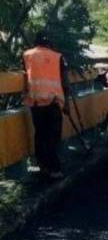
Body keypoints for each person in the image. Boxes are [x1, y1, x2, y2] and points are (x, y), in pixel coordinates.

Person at [22, 32, 70, 179]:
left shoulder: (26, 55)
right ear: (50, 43)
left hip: (35, 102)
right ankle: (54, 169)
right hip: (53, 103)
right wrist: (66, 103)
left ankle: (43, 166)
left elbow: (25, 74)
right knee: (53, 136)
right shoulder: (58, 57)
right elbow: (65, 82)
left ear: (35, 43)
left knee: (40, 135)